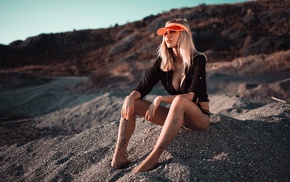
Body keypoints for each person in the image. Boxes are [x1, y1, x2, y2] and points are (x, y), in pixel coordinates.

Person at [111, 18, 210, 173]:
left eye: (173, 32)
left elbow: (193, 96)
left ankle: (153, 158)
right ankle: (119, 157)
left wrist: (161, 99)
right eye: (165, 33)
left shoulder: (198, 59)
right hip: (176, 118)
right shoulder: (163, 61)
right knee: (133, 103)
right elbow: (144, 87)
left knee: (179, 100)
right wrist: (130, 97)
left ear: (183, 35)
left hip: (198, 117)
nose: (167, 36)